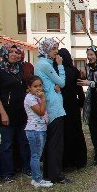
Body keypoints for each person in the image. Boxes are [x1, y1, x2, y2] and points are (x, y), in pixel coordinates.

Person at [0, 44, 30, 182]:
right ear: (5, 54)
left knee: (24, 141)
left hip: (21, 113)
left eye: (16, 51)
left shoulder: (19, 69)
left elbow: (24, 89)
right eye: (11, 52)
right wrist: (3, 114)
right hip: (6, 113)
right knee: (7, 144)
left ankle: (26, 168)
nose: (14, 54)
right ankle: (7, 173)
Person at [34, 38, 69, 184]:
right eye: (54, 48)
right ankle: (56, 174)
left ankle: (50, 172)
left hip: (52, 104)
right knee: (56, 142)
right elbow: (62, 82)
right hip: (53, 107)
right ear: (46, 49)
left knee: (51, 142)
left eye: (57, 48)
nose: (56, 51)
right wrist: (60, 66)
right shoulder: (45, 65)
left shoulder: (44, 64)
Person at [55, 48, 87, 170]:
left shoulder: (56, 70)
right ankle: (78, 160)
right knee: (75, 131)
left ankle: (65, 161)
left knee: (64, 133)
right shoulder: (74, 70)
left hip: (60, 104)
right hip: (73, 104)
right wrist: (81, 104)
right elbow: (80, 90)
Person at [24, 76, 53, 188]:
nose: (38, 88)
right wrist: (43, 99)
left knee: (38, 154)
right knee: (36, 156)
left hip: (41, 128)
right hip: (35, 129)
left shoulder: (37, 97)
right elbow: (41, 112)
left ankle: (37, 178)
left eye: (40, 85)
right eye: (35, 86)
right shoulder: (30, 98)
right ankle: (37, 179)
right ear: (29, 88)